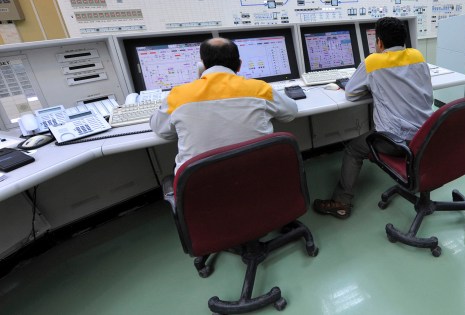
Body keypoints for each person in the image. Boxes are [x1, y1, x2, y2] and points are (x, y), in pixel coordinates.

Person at [313, 17, 433, 219]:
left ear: (379, 42)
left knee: (353, 149)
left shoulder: (373, 62)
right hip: (426, 136)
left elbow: (350, 93)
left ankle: (341, 202)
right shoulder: (417, 56)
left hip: (396, 142)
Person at [150, 37, 297, 173]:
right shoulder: (260, 89)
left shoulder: (178, 95)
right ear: (239, 65)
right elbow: (290, 113)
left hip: (201, 186)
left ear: (201, 65)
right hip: (256, 175)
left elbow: (161, 130)